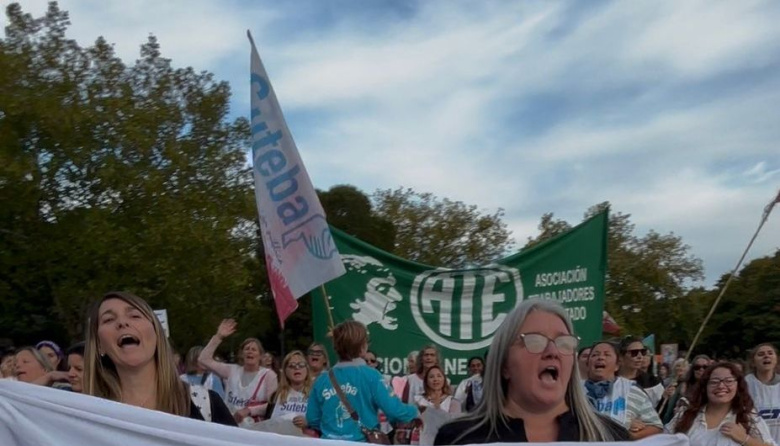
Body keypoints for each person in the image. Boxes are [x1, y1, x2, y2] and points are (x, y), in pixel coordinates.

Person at [434, 299, 629, 444]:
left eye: (564, 343)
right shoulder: (457, 438)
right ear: (504, 365)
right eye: (534, 341)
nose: (552, 352)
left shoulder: (611, 437)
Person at [84, 291, 236, 426]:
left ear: (157, 334)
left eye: (135, 315)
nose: (122, 322)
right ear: (99, 345)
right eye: (109, 319)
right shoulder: (88, 418)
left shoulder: (206, 404)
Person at [306, 320, 418, 441]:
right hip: (361, 441)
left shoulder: (322, 379)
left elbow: (312, 418)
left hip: (328, 441)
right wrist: (417, 412)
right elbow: (394, 410)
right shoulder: (372, 375)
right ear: (362, 346)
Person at [666, 362, 776, 446]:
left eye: (728, 381)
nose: (721, 386)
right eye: (714, 382)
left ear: (738, 386)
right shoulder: (686, 415)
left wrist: (745, 439)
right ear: (705, 387)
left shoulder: (748, 417)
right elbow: (661, 441)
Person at [199, 318, 278, 426]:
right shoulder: (232, 370)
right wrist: (218, 336)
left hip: (255, 426)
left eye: (254, 349)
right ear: (241, 354)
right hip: (231, 424)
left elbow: (273, 405)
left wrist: (249, 410)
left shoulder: (268, 375)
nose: (250, 351)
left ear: (260, 356)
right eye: (247, 349)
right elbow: (203, 359)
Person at [584, 341, 663, 439]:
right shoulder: (574, 391)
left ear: (617, 365)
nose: (600, 357)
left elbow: (656, 427)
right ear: (588, 364)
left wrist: (629, 435)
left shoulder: (632, 390)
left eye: (607, 355)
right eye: (595, 355)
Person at [268, 350, 316, 436]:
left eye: (301, 365)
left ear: (307, 369)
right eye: (292, 366)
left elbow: (325, 420)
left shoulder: (316, 394)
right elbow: (267, 423)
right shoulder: (275, 396)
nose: (297, 368)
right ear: (285, 371)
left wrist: (308, 422)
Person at [745, 343, 779, 444]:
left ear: (776, 359)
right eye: (761, 354)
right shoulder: (744, 384)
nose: (766, 356)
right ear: (753, 362)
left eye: (770, 353)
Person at [662, 354, 712, 423]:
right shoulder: (684, 386)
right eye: (697, 367)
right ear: (693, 369)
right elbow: (669, 411)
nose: (701, 369)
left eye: (705, 367)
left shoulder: (713, 388)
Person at [617, 336, 664, 407]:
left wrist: (665, 398)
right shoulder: (609, 380)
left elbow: (658, 413)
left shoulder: (652, 382)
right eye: (634, 353)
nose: (640, 356)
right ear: (621, 356)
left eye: (643, 352)